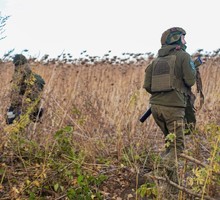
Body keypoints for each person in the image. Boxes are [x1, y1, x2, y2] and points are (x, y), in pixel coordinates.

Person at [143, 27, 196, 194]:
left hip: (156, 109)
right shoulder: (184, 56)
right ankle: (159, 177)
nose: (185, 41)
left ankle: (172, 186)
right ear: (175, 39)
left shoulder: (156, 61)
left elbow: (147, 86)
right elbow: (190, 80)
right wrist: (193, 68)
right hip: (173, 109)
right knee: (177, 148)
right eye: (183, 38)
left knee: (169, 144)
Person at [6, 54, 45, 125]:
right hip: (25, 109)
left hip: (27, 109)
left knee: (11, 119)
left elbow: (32, 99)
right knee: (10, 119)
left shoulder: (32, 78)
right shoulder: (20, 76)